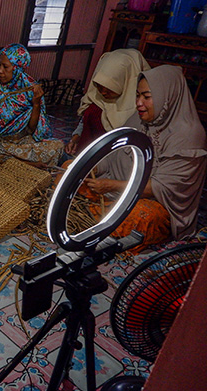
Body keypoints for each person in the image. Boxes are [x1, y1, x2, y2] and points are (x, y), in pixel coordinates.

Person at [83, 65, 207, 252]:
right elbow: (113, 156)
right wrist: (92, 169)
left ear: (167, 97)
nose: (139, 103)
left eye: (147, 97)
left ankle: (91, 220)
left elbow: (162, 188)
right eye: (137, 95)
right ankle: (94, 219)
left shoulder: (189, 134)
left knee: (141, 216)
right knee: (69, 174)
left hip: (155, 203)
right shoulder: (138, 119)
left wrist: (112, 185)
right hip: (114, 190)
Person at [0, 43, 63, 167]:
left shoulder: (30, 89)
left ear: (17, 68)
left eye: (5, 67)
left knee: (57, 146)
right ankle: (25, 164)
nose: (0, 71)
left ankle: (11, 163)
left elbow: (32, 130)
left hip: (22, 142)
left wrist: (36, 104)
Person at [65, 49, 150, 156]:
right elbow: (84, 122)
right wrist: (75, 139)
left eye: (110, 88)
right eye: (99, 87)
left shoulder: (141, 108)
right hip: (86, 156)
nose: (103, 92)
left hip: (115, 161)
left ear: (126, 80)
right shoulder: (96, 96)